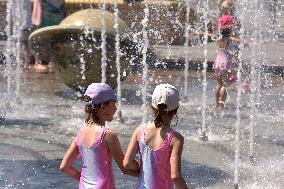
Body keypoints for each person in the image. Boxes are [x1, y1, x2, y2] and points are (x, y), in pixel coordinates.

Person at [60, 83, 140, 188]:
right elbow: (125, 167)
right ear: (104, 107)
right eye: (114, 104)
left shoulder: (81, 134)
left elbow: (64, 167)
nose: (116, 109)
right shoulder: (108, 135)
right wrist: (145, 171)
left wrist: (84, 180)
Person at [123, 84, 188, 189]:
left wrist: (146, 169)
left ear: (152, 106)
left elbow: (126, 164)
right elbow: (175, 176)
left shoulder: (140, 130)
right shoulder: (176, 139)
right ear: (175, 109)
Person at [213, 15, 241, 109]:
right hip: (225, 64)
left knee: (219, 84)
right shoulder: (229, 39)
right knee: (225, 84)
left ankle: (217, 104)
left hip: (217, 63)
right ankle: (221, 105)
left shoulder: (219, 38)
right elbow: (239, 41)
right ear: (229, 28)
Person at [32, 0, 65, 73]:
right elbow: (37, 3)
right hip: (45, 16)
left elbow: (63, 6)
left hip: (56, 16)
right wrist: (36, 18)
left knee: (53, 39)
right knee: (39, 39)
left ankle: (51, 60)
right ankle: (37, 62)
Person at [20, 0, 33, 71]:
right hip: (21, 25)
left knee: (26, 45)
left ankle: (26, 63)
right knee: (25, 45)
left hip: (26, 25)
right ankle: (25, 63)